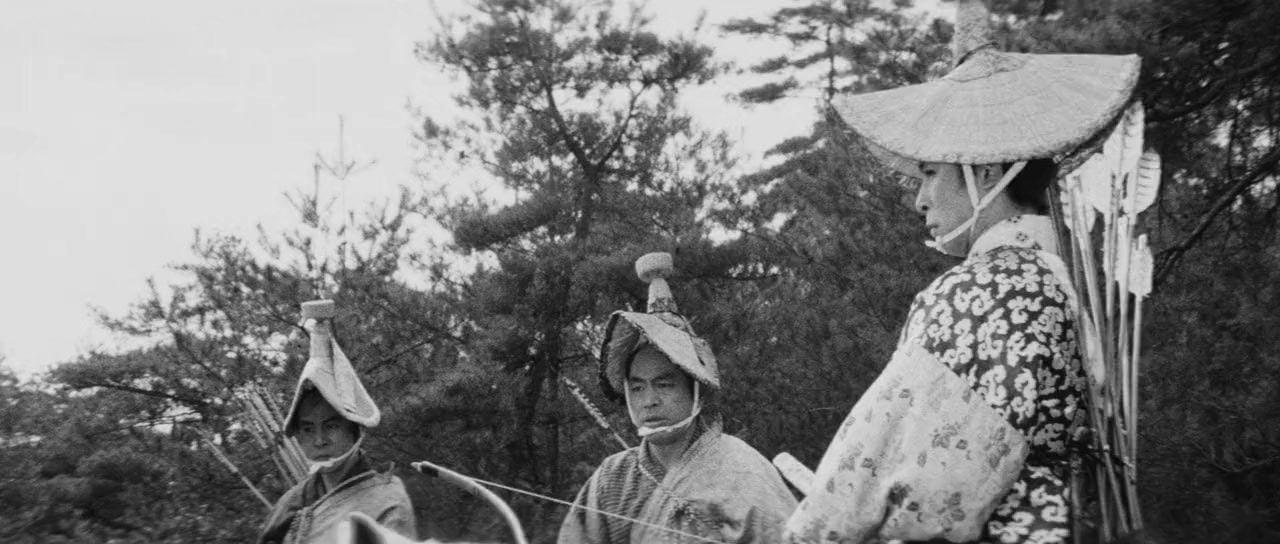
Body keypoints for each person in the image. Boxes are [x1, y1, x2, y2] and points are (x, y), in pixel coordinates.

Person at [783, 0, 1141, 542]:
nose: (921, 199)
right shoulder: (1053, 278)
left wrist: (811, 531)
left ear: (988, 172)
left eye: (930, 173)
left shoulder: (986, 291)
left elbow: (892, 466)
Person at [559, 252, 798, 544]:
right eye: (638, 388)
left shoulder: (742, 470)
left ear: (695, 389)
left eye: (664, 385)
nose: (649, 400)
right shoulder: (613, 479)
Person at [259, 300, 418, 544]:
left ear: (355, 430)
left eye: (331, 426)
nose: (319, 440)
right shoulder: (292, 503)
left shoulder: (387, 502)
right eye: (308, 429)